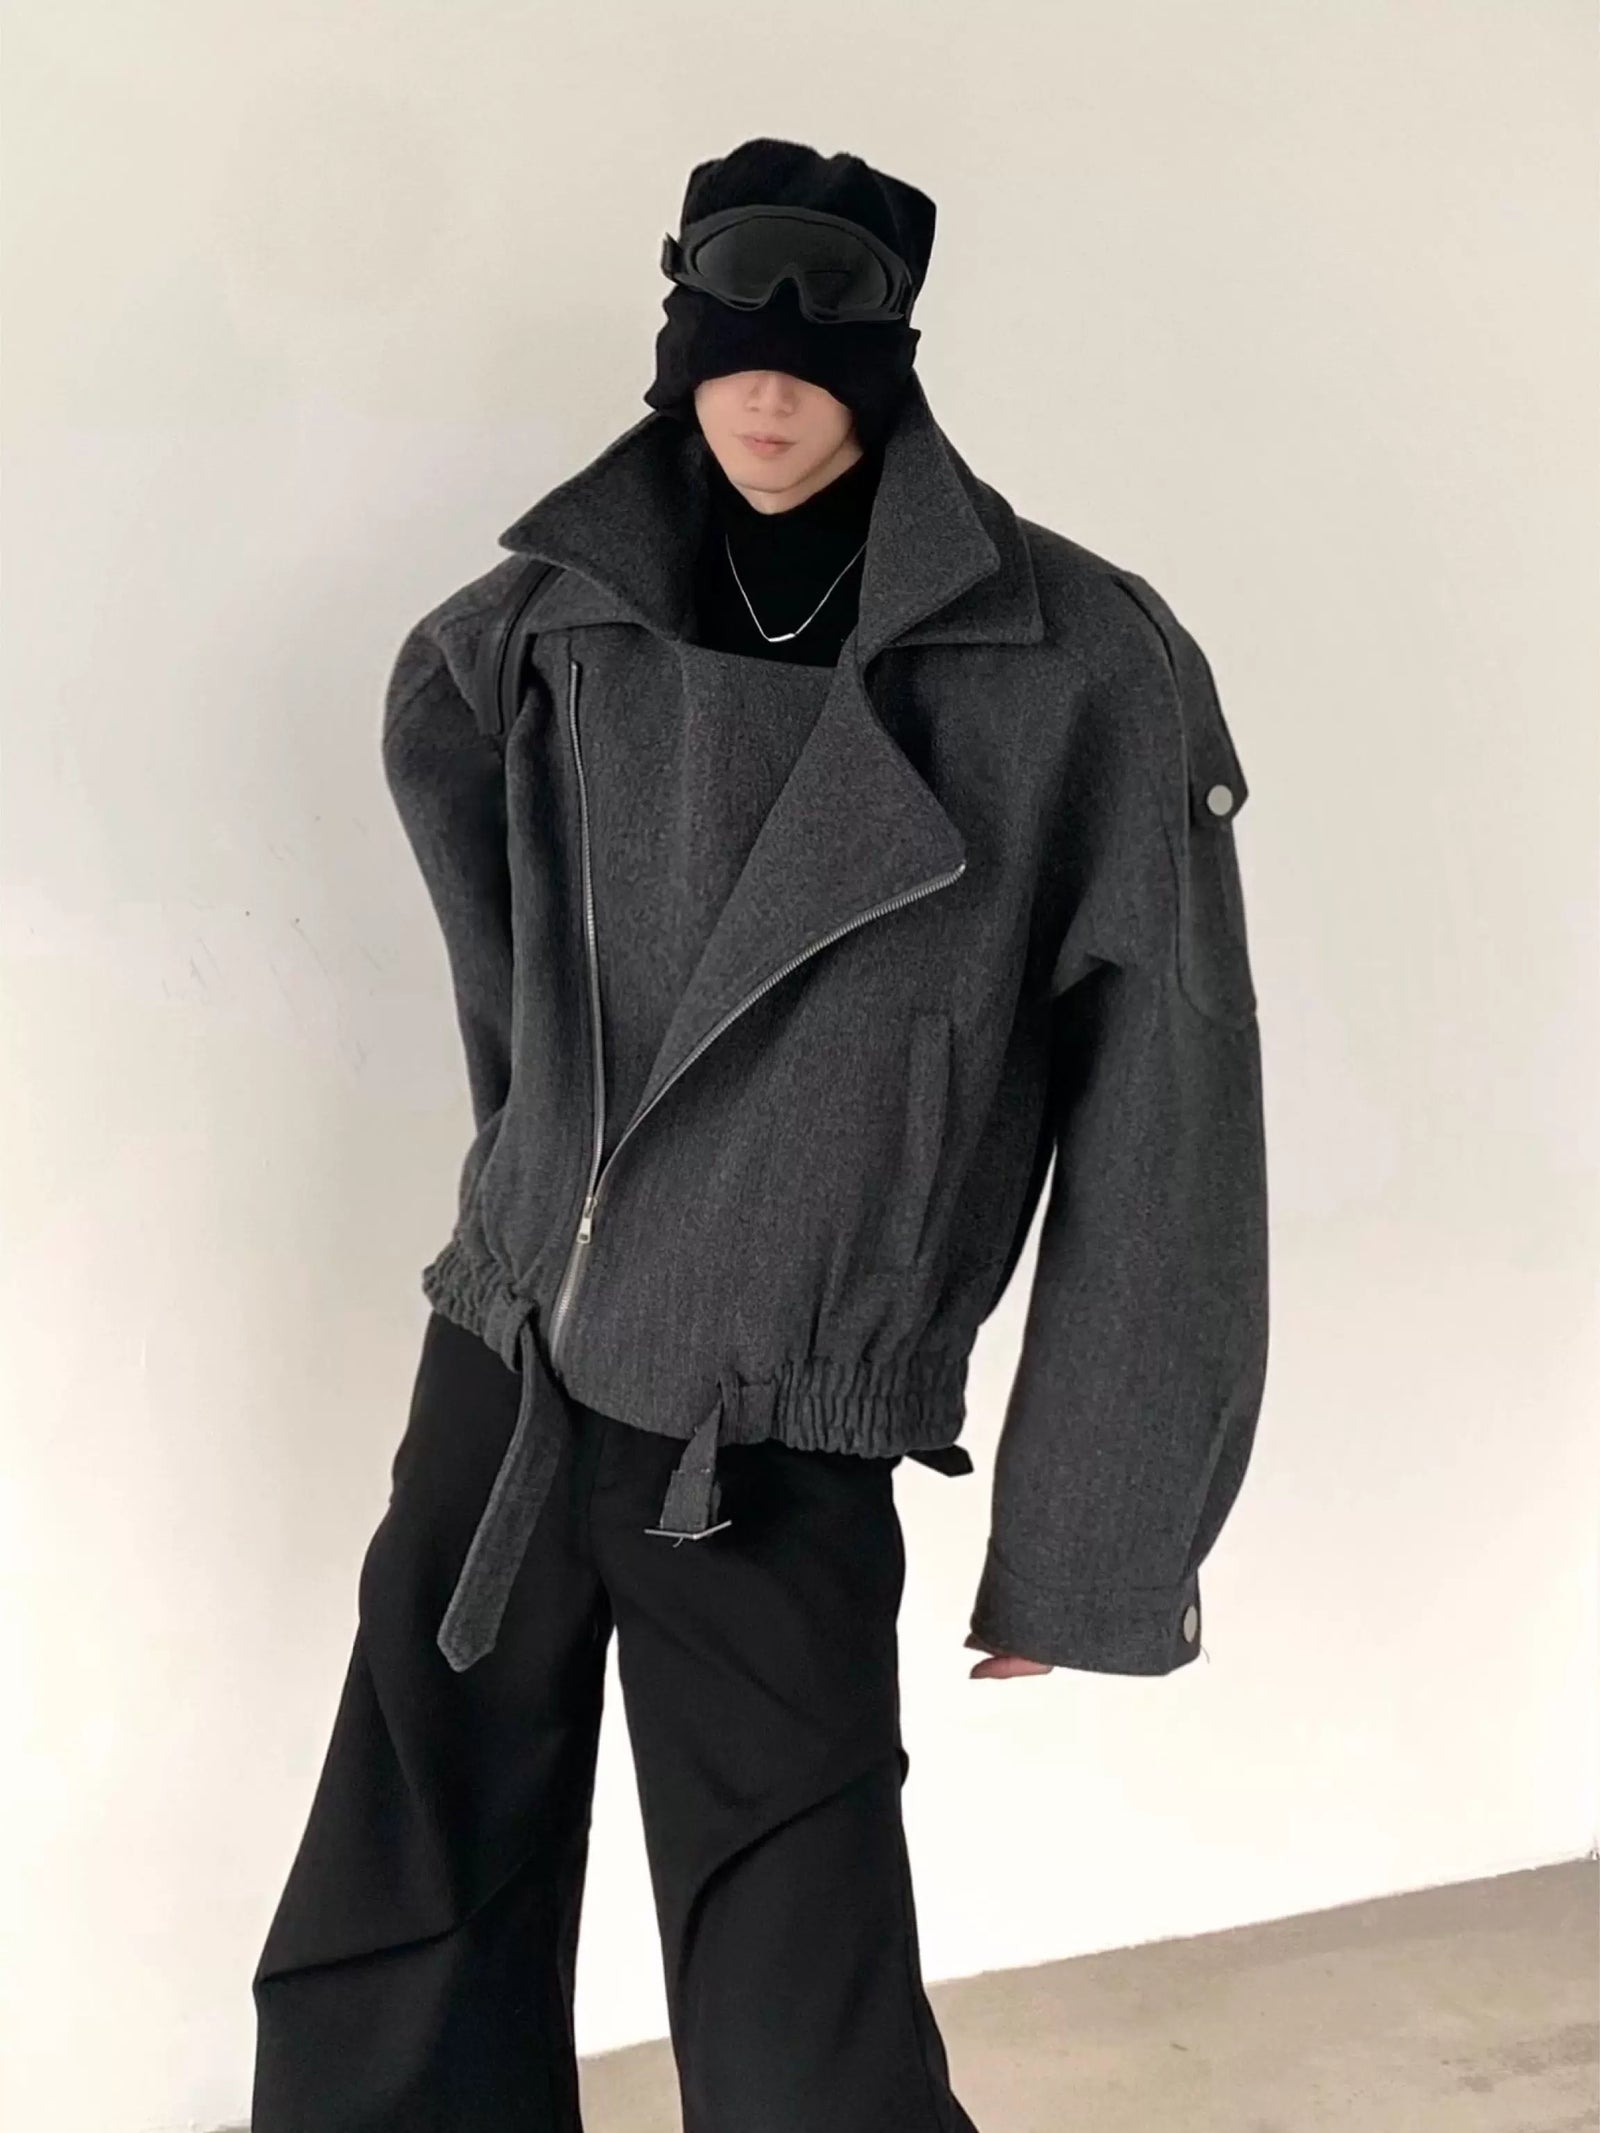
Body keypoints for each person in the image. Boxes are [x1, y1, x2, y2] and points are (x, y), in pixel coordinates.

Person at [250, 136, 1268, 2131]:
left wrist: (1088, 1540)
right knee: (403, 1898)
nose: (770, 388)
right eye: (729, 337)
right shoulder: (556, 618)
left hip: (768, 1423)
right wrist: (540, 1159)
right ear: (675, 340)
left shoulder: (1077, 667)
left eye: (820, 343)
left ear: (896, 351)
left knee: (799, 1987)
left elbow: (1170, 1106)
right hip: (508, 1366)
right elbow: (452, 780)